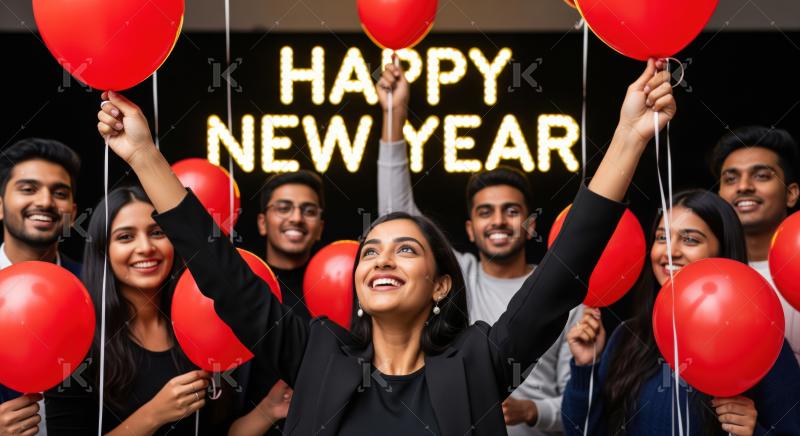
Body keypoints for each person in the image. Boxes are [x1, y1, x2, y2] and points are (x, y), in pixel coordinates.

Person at [96, 58, 674, 435]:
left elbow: (564, 271)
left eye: (405, 250)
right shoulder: (313, 354)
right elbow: (219, 270)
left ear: (441, 284)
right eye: (370, 251)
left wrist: (627, 137)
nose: (382, 260)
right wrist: (145, 155)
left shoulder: (478, 361)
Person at [375, 61, 578, 434]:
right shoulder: (457, 277)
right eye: (486, 213)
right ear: (471, 229)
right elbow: (396, 217)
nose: (498, 221)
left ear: (531, 224)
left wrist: (531, 410)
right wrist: (394, 116)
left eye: (511, 211)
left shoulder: (565, 297)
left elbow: (584, 401)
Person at [561, 190, 800, 435]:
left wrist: (753, 431)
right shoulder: (628, 335)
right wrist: (585, 366)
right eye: (662, 237)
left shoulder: (762, 340)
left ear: (722, 252)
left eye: (690, 240)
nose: (669, 252)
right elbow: (583, 432)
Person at [44, 186, 245, 435]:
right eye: (126, 237)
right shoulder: (74, 341)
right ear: (102, 251)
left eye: (157, 232)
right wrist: (154, 414)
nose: (146, 247)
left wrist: (269, 409)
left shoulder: (200, 326)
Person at [228, 172, 325, 435]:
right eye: (283, 208)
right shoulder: (240, 287)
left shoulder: (345, 292)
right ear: (262, 222)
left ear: (320, 228)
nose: (296, 218)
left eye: (309, 211)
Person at [0, 138, 82, 436]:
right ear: (0, 205)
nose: (45, 202)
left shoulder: (95, 289)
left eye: (59, 193)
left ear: (72, 211)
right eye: (28, 188)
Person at [710, 126, 800, 364]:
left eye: (761, 176)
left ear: (791, 194)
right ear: (719, 196)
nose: (744, 187)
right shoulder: (705, 274)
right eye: (731, 179)